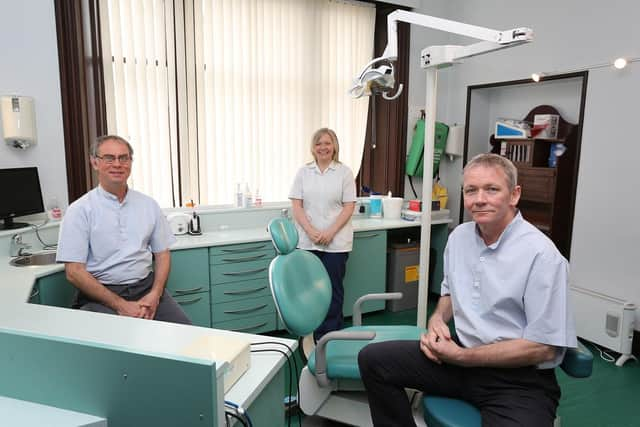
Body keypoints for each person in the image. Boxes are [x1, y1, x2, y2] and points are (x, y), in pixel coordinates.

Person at [358, 153, 576, 426]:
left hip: (517, 381)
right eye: (471, 190)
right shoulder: (459, 237)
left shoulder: (542, 256)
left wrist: (463, 357)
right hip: (458, 360)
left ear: (514, 195)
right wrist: (437, 319)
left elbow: (543, 348)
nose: (479, 199)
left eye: (492, 189)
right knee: (373, 360)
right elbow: (450, 293)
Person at [56, 135, 191, 325]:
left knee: (184, 333)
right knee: (115, 346)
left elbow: (162, 254)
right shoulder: (80, 210)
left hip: (146, 289)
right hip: (101, 294)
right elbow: (74, 271)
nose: (117, 164)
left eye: (123, 158)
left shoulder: (148, 205)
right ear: (95, 163)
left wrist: (155, 294)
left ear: (130, 163)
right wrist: (121, 305)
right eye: (109, 158)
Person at [289, 128, 356, 341]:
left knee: (332, 290)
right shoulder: (303, 172)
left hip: (336, 244)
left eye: (327, 143)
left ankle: (330, 336)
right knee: (310, 291)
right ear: (313, 148)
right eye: (318, 144)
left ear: (334, 146)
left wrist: (329, 232)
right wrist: (311, 231)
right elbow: (297, 206)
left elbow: (348, 207)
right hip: (308, 243)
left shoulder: (344, 172)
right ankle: (311, 334)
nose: (323, 147)